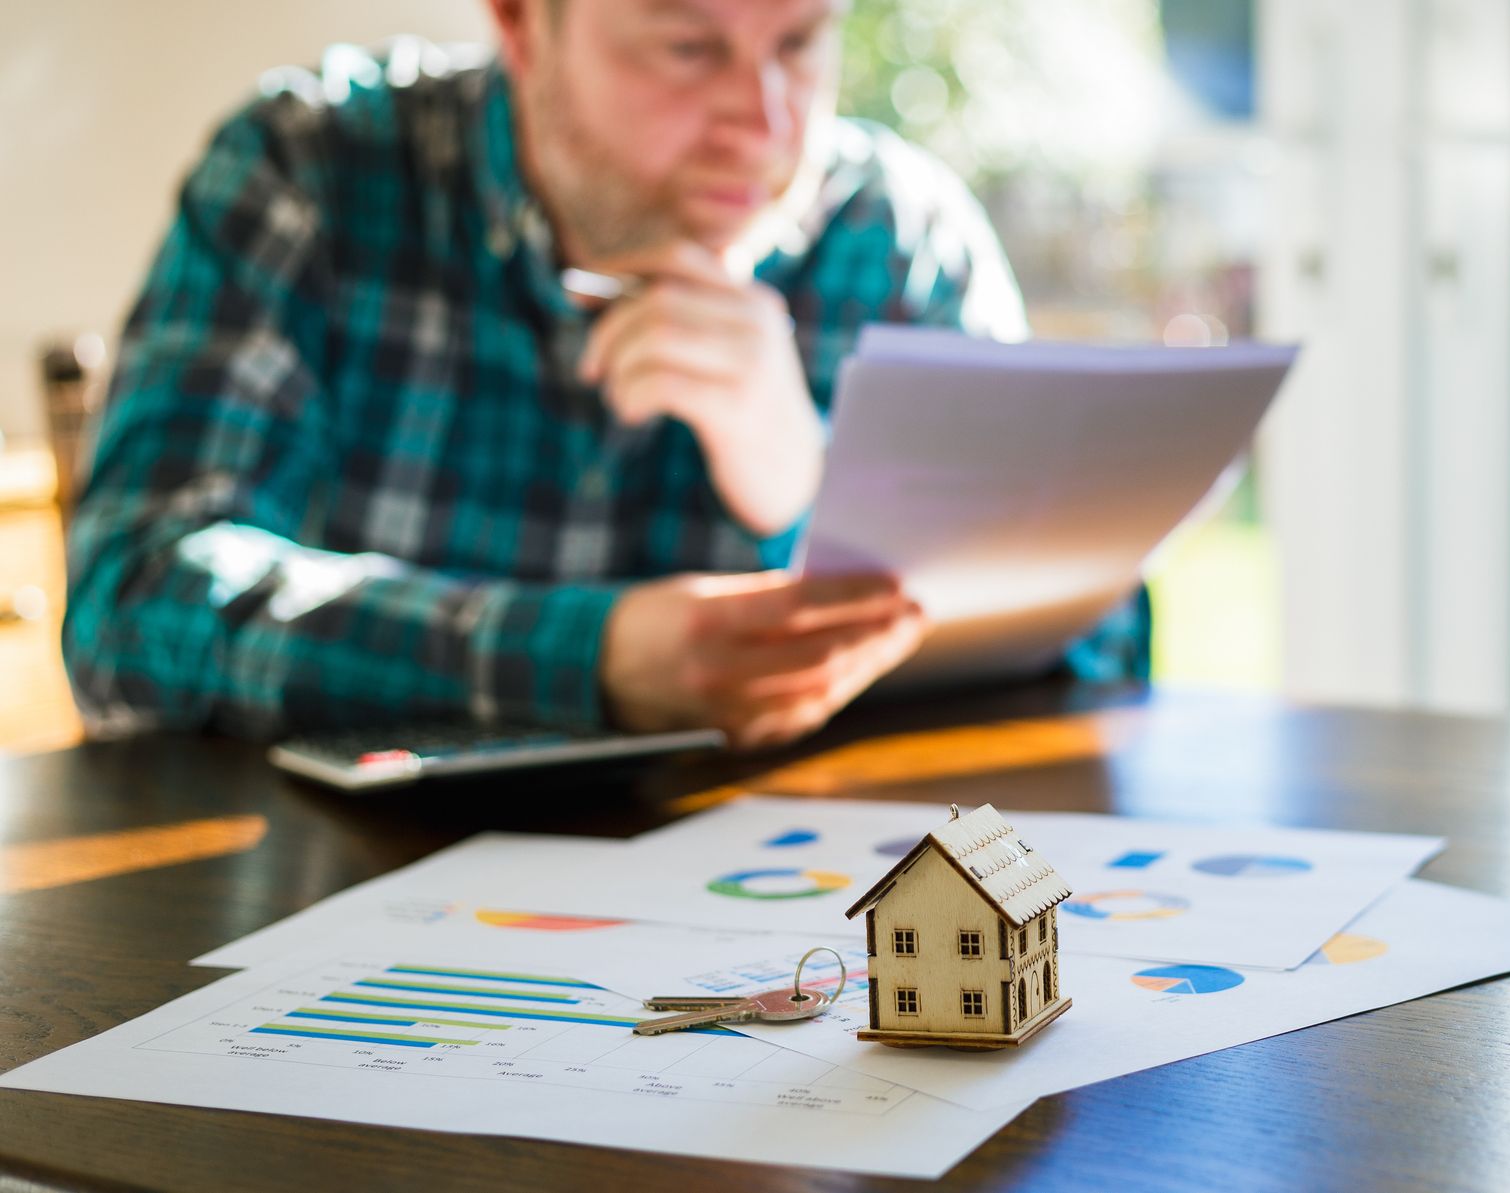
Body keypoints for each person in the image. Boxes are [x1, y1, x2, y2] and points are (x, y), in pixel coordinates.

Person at [63, 0, 1146, 749]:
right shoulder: (311, 172)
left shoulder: (899, 238)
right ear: (519, 23)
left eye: (801, 40)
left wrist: (808, 484)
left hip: (788, 932)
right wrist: (597, 656)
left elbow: (1098, 643)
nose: (766, 122)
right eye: (687, 47)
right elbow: (134, 603)